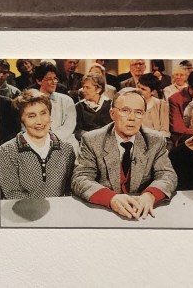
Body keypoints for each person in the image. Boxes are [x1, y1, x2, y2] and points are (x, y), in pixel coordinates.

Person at [71, 88, 178, 220]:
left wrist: (150, 195)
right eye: (125, 111)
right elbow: (80, 178)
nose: (132, 118)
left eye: (138, 112)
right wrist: (111, 198)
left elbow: (167, 175)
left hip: (142, 213)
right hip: (104, 212)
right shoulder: (92, 140)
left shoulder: (155, 140)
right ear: (112, 113)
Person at [0, 90, 76, 199]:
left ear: (50, 115)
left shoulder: (66, 149)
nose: (39, 121)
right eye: (31, 116)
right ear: (22, 120)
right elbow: (12, 194)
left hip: (58, 211)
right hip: (23, 213)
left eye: (43, 113)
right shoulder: (7, 151)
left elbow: (69, 191)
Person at [31, 62, 77, 147]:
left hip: (64, 142)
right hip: (38, 142)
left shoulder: (67, 100)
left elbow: (69, 126)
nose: (54, 82)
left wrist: (51, 140)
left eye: (55, 78)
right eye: (49, 79)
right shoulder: (30, 101)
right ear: (39, 81)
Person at [75, 72, 112, 140]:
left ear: (98, 89)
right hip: (86, 141)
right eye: (83, 87)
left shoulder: (110, 105)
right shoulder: (78, 107)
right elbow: (77, 131)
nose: (83, 90)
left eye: (87, 88)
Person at [136, 74, 170, 140]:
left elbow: (165, 130)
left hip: (157, 140)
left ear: (153, 92)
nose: (138, 91)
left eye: (143, 89)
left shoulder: (161, 105)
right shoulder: (130, 103)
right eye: (138, 87)